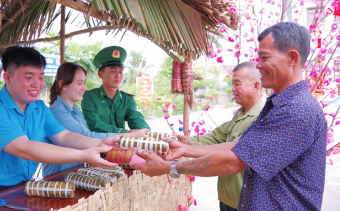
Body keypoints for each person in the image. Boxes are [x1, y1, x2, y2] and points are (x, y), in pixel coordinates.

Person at [133, 22, 327, 210]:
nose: (258, 66)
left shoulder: (296, 111)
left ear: (292, 58)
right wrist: (185, 149)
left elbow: (233, 162)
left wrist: (170, 167)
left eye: (264, 57)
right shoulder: (281, 105)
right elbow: (240, 147)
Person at [0, 46, 119, 202]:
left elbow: (64, 136)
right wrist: (83, 155)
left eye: (40, 77)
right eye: (29, 77)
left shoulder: (39, 108)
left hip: (23, 189)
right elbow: (24, 148)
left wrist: (99, 142)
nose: (37, 84)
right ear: (7, 78)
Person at [179, 61, 265, 211]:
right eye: (232, 84)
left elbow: (231, 157)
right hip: (228, 198)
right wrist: (188, 142)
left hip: (246, 202)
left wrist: (175, 163)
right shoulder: (241, 113)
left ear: (256, 86)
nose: (233, 89)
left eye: (237, 84)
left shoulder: (262, 117)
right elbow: (216, 138)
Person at [44, 62, 149, 176]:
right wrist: (128, 135)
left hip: (75, 172)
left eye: (84, 83)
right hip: (58, 176)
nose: (84, 88)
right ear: (63, 85)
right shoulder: (58, 112)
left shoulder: (75, 110)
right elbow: (87, 136)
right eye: (79, 83)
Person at [81, 46, 151, 133]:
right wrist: (126, 133)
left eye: (120, 72)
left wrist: (144, 131)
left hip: (122, 144)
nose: (118, 76)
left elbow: (135, 118)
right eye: (113, 71)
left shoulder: (127, 99)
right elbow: (95, 125)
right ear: (100, 75)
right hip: (99, 144)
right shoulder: (89, 97)